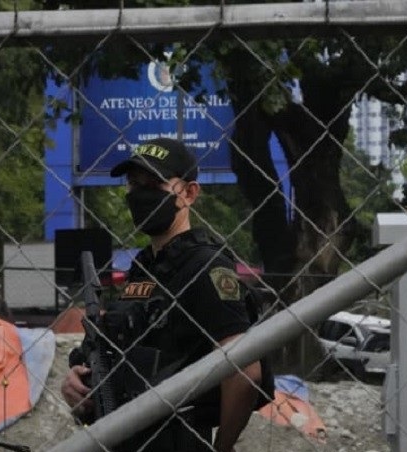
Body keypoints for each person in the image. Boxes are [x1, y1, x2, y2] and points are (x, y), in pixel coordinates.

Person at [60, 138, 274, 452]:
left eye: (154, 183)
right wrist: (79, 381)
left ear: (189, 193)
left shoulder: (205, 266)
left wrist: (222, 448)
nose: (140, 193)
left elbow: (244, 370)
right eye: (134, 184)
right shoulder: (144, 268)